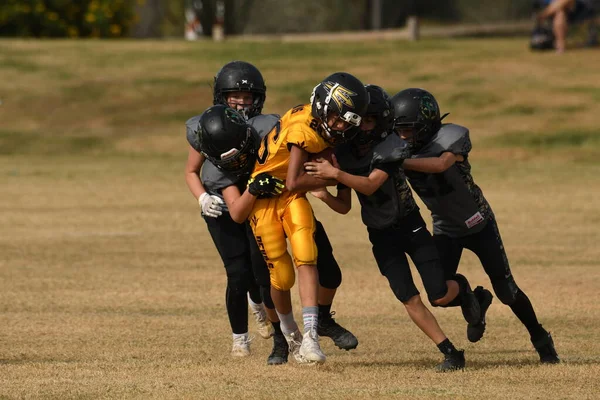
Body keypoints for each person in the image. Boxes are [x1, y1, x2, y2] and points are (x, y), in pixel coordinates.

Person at [304, 85, 490, 371]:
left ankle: (464, 290)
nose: (360, 126)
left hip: (410, 227)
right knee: (408, 297)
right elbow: (345, 206)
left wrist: (335, 173)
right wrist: (326, 193)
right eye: (358, 119)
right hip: (380, 235)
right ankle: (450, 352)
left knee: (438, 295)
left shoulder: (392, 146)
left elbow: (370, 184)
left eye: (368, 120)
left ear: (381, 121)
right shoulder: (345, 153)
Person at [391, 88, 560, 364]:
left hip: (479, 223)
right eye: (399, 130)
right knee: (439, 295)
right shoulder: (398, 147)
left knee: (507, 291)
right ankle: (473, 296)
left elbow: (441, 164)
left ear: (425, 124)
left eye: (408, 129)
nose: (403, 136)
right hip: (446, 228)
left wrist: (399, 161)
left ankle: (540, 337)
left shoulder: (449, 137)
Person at [212, 61, 359, 352]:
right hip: (267, 201)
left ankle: (312, 335)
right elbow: (290, 182)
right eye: (338, 119)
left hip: (288, 195)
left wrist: (333, 174)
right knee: (279, 276)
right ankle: (289, 333)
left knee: (307, 255)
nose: (341, 127)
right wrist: (328, 177)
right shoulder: (218, 163)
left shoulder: (306, 121)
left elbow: (324, 195)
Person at [185, 102, 289, 363]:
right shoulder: (209, 142)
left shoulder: (264, 128)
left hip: (256, 200)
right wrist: (202, 198)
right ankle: (240, 338)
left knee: (260, 267)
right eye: (234, 95)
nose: (241, 100)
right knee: (237, 272)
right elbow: (191, 172)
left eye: (246, 94)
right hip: (223, 203)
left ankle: (261, 307)